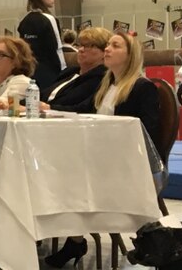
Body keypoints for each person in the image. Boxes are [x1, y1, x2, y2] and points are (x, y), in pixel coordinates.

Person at [43, 32, 159, 268]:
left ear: (130, 55)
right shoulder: (107, 85)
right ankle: (71, 236)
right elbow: (80, 109)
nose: (107, 49)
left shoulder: (142, 87)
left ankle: (74, 240)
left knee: (70, 173)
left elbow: (148, 131)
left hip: (127, 163)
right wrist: (49, 108)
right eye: (107, 45)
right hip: (101, 157)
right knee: (57, 167)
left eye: (114, 46)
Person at [46, 27, 109, 111]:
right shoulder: (69, 72)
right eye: (81, 45)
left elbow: (83, 109)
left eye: (89, 46)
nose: (81, 50)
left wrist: (47, 108)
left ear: (105, 52)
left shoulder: (101, 79)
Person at [17, 0, 65, 89]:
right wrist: (63, 71)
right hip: (50, 73)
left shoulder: (24, 21)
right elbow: (57, 48)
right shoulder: (49, 19)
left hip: (30, 71)